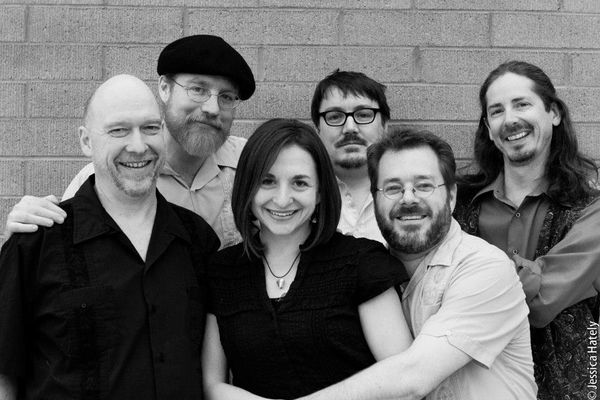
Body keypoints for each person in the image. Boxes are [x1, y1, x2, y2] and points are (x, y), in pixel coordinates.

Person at [0, 75, 220, 399]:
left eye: (150, 128)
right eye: (119, 130)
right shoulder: (35, 243)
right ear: (86, 141)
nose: (138, 146)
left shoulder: (199, 241)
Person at [299, 128, 536, 400]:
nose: (408, 198)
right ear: (375, 200)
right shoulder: (368, 274)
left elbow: (413, 378)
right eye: (393, 188)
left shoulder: (485, 268)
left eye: (424, 185)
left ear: (451, 196)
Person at [201, 119, 412, 399]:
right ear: (248, 187)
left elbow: (402, 377)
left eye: (299, 183)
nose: (282, 199)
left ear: (320, 192)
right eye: (267, 181)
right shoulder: (222, 271)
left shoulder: (362, 263)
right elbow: (213, 384)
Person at [5, 34, 255, 249]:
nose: (212, 108)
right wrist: (25, 232)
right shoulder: (105, 175)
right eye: (198, 89)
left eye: (226, 96)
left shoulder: (252, 165)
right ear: (165, 88)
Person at [454, 60, 600, 399]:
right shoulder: (460, 205)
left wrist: (473, 286)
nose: (510, 119)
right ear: (488, 128)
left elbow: (540, 303)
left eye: (522, 104)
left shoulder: (591, 210)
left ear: (553, 113)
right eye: (497, 111)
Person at [310, 70, 390, 244]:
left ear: (384, 126)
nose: (350, 128)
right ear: (317, 130)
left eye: (363, 115)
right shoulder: (300, 197)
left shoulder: (413, 196)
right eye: (335, 117)